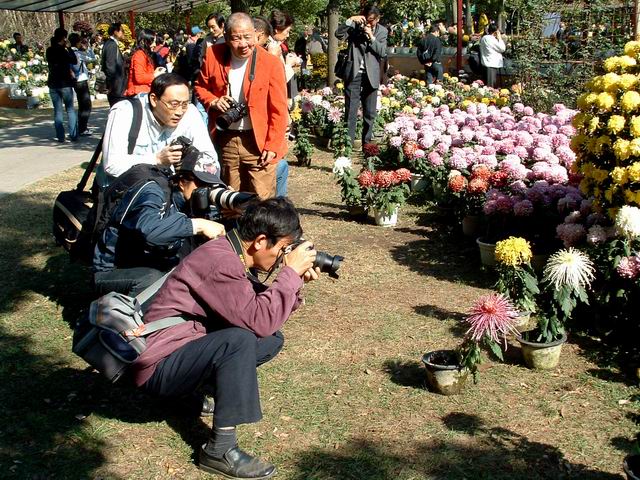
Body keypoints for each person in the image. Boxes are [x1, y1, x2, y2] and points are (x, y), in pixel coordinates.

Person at [131, 197, 319, 479]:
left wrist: (294, 284)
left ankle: (186, 395)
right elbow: (258, 319)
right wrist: (289, 275)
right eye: (282, 249)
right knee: (239, 340)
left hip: (180, 350)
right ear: (259, 241)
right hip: (158, 365)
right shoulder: (219, 261)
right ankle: (219, 450)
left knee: (269, 339)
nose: (282, 258)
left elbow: (264, 320)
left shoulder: (230, 254)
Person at [92, 151, 226, 296]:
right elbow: (149, 231)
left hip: (152, 263)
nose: (206, 191)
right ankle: (114, 314)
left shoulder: (191, 203)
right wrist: (198, 225)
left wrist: (231, 215)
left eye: (211, 185)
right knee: (152, 280)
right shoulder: (153, 191)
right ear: (182, 182)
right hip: (114, 270)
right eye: (202, 184)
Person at [194, 12, 288, 200]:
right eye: (236, 38)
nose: (243, 44)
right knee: (230, 199)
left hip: (258, 141)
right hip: (226, 138)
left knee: (262, 199)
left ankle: (260, 230)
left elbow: (279, 109)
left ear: (256, 34)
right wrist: (213, 101)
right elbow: (200, 86)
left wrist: (272, 145)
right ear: (226, 37)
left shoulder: (271, 63)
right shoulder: (214, 54)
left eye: (248, 37)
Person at [101, 73, 218, 182]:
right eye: (174, 104)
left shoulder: (190, 112)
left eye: (184, 104)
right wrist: (157, 160)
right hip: (129, 190)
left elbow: (211, 160)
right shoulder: (125, 111)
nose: (180, 112)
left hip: (171, 188)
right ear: (154, 99)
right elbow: (112, 165)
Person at [335, 4, 388, 147]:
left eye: (371, 20)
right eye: (366, 19)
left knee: (370, 113)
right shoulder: (354, 26)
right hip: (354, 72)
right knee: (351, 110)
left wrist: (371, 37)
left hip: (372, 74)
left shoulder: (382, 31)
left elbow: (383, 52)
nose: (368, 23)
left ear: (378, 19)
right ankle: (348, 145)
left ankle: (367, 144)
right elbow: (338, 34)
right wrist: (350, 20)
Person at [254, 17, 290, 198]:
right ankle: (276, 208)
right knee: (279, 167)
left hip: (269, 131)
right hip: (260, 130)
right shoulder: (266, 57)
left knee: (281, 166)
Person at [46, 27, 78, 143]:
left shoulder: (49, 50)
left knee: (58, 111)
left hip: (53, 83)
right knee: (70, 110)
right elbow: (74, 61)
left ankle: (60, 136)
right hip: (65, 83)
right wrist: (69, 48)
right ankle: (73, 134)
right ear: (64, 38)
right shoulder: (64, 51)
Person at [268, 10, 300, 106]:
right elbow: (275, 78)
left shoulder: (277, 45)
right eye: (287, 31)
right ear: (277, 29)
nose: (288, 35)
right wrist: (289, 65)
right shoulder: (270, 47)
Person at [69, 33, 96, 136]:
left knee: (81, 105)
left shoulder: (69, 52)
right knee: (86, 105)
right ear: (78, 42)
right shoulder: (78, 53)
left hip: (75, 81)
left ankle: (81, 127)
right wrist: (88, 48)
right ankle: (82, 128)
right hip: (81, 80)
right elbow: (92, 58)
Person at [125, 29, 165, 96]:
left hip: (143, 93)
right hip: (138, 94)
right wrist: (155, 75)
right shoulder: (139, 55)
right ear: (144, 41)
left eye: (155, 42)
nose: (155, 44)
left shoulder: (145, 55)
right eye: (152, 41)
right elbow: (139, 78)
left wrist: (155, 72)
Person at [102, 22, 128, 106]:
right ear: (115, 32)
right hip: (116, 85)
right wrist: (111, 85)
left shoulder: (109, 44)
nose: (123, 33)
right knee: (117, 109)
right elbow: (110, 66)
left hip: (116, 84)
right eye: (121, 30)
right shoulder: (111, 45)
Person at [479, 24, 506, 88]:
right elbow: (502, 48)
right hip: (491, 64)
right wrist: (499, 38)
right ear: (496, 31)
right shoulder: (490, 38)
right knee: (490, 87)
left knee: (488, 86)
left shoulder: (485, 38)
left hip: (488, 64)